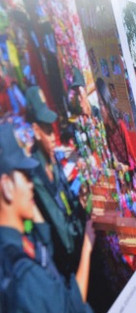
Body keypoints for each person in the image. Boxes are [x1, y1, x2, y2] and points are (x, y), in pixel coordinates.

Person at [0, 123, 93, 313]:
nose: (30, 184)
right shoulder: (26, 276)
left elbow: (45, 247)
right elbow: (71, 307)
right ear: (7, 186)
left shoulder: (14, 241)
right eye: (25, 176)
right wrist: (88, 247)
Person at [24, 86, 87, 280]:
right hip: (64, 261)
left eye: (53, 129)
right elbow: (61, 230)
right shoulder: (35, 173)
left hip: (76, 241)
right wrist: (84, 234)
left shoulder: (52, 158)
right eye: (47, 130)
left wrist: (81, 202)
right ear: (35, 130)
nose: (53, 136)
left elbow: (68, 195)